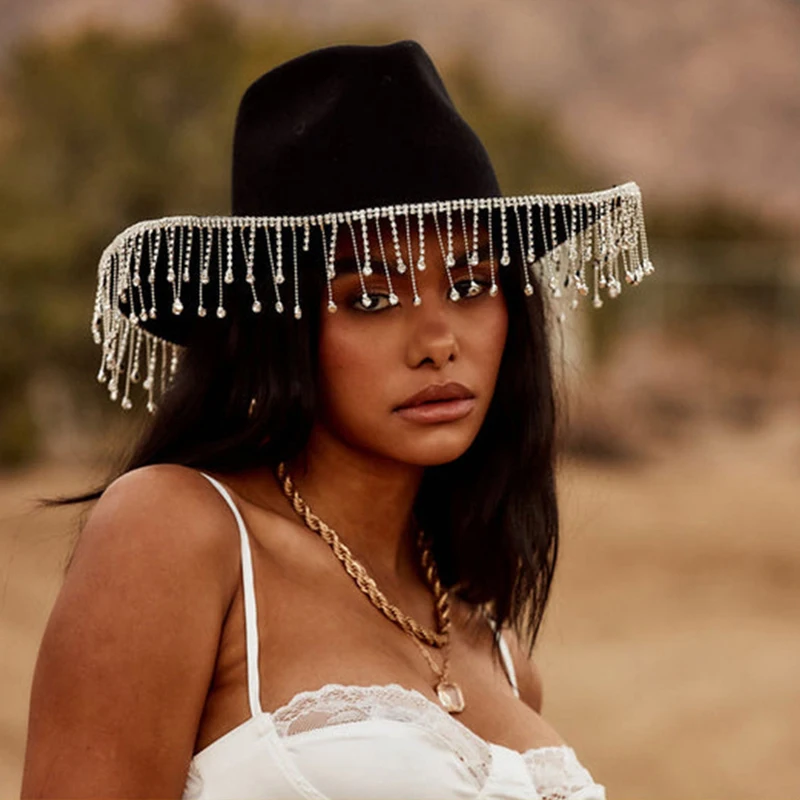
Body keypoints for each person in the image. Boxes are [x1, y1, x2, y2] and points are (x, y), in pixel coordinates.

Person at [21, 40, 653, 799]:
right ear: (278, 329)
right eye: (370, 297)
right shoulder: (178, 532)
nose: (438, 341)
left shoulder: (500, 652)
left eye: (473, 282)